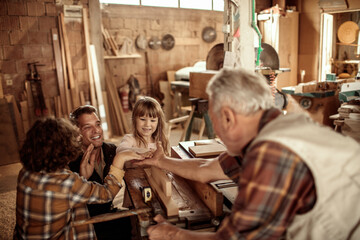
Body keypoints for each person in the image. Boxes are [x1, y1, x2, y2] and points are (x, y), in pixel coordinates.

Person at [136, 68, 360, 240]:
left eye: (214, 121)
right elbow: (206, 169)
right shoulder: (274, 128)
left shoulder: (271, 153)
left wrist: (174, 234)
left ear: (228, 117)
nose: (218, 133)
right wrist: (162, 160)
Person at [14, 117, 143, 240]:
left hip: (28, 236)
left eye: (97, 124)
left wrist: (82, 178)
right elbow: (107, 193)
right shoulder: (66, 182)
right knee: (126, 225)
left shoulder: (25, 172)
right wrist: (119, 159)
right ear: (63, 148)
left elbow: (62, 197)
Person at [68, 105, 133, 239]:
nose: (96, 130)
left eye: (97, 124)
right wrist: (82, 178)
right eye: (87, 127)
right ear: (77, 133)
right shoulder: (71, 162)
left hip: (108, 213)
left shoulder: (111, 151)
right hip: (85, 224)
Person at [112, 96, 170, 209]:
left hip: (157, 185)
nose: (147, 125)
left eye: (153, 120)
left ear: (158, 122)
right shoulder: (130, 139)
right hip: (135, 187)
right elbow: (120, 149)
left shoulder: (160, 142)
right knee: (137, 216)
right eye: (142, 119)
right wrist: (141, 151)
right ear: (134, 119)